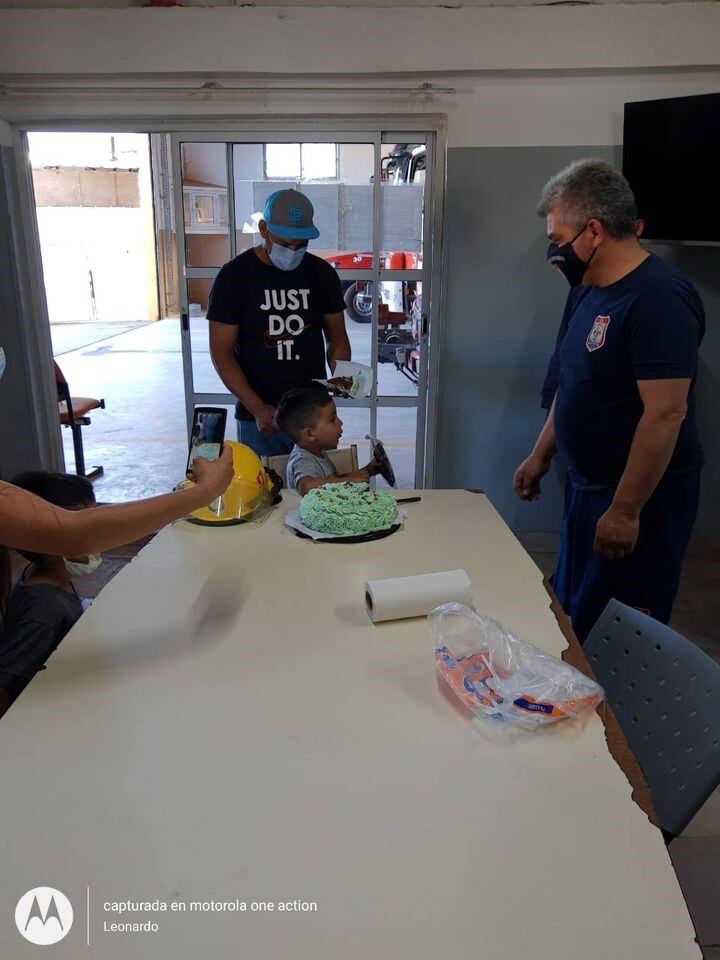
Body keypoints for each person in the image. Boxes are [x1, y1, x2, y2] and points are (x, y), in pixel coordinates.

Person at [513, 159, 704, 643]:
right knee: (577, 605)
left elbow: (667, 413)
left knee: (620, 628)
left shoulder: (658, 298)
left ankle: (614, 716)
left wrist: (625, 510)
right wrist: (540, 454)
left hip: (638, 496)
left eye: (558, 240)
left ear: (593, 231)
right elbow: (573, 384)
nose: (554, 253)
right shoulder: (587, 291)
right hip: (587, 487)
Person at [207, 189, 351, 457]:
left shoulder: (321, 274)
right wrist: (257, 408)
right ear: (264, 229)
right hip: (259, 418)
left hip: (313, 417)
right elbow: (221, 352)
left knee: (317, 490)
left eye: (301, 244)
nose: (293, 252)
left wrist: (344, 380)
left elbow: (337, 338)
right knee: (264, 492)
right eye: (285, 244)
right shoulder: (235, 276)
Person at [0, 472, 97, 716]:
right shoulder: (45, 609)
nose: (98, 536)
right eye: (88, 528)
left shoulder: (41, 574)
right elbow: (6, 681)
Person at [275, 386, 379, 495]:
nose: (340, 422)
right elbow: (307, 487)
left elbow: (332, 482)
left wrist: (368, 470)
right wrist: (349, 480)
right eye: (332, 419)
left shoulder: (317, 452)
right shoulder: (302, 460)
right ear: (310, 434)